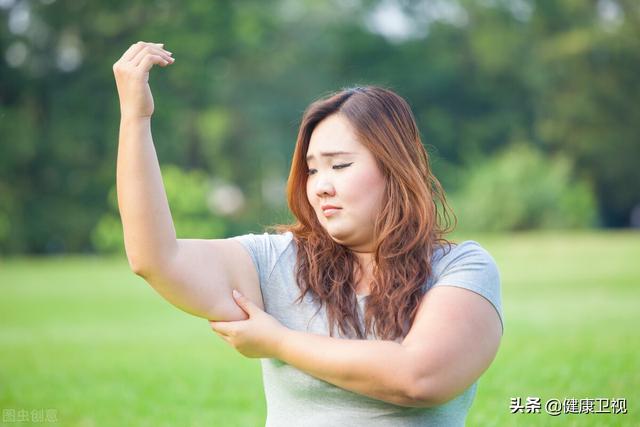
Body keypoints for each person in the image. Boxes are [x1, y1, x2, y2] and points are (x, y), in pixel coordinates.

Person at [113, 41, 504, 426]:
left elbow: (421, 378)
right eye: (313, 170)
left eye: (340, 165)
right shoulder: (277, 261)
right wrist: (136, 118)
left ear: (395, 168)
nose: (319, 186)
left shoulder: (460, 268)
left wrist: (279, 342)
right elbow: (156, 259)